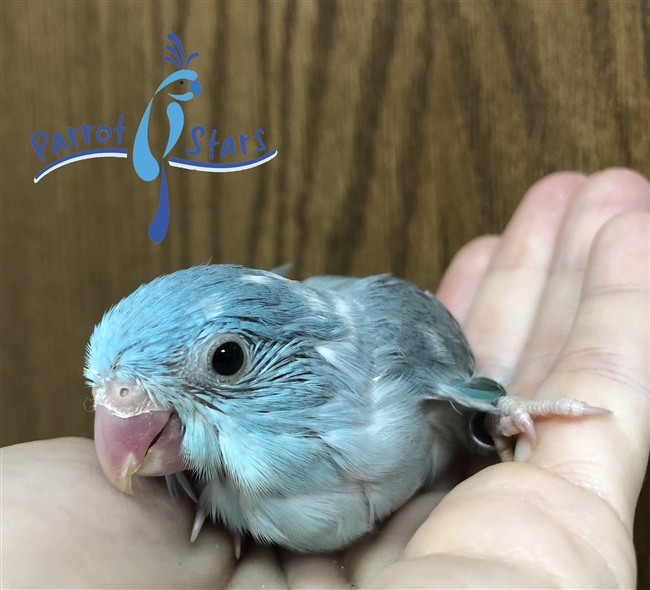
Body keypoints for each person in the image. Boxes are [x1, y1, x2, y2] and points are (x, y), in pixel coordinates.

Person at [2, 168, 648, 589]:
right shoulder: (201, 473)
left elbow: (478, 391)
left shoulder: (396, 350)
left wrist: (496, 411)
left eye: (227, 362)